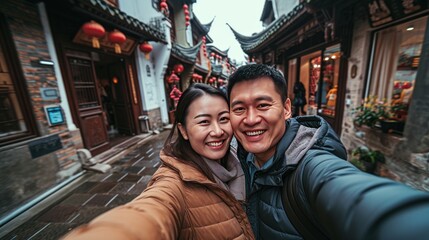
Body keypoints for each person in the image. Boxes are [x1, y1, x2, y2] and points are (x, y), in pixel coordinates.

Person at [226, 64, 429, 240]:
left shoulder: (312, 168)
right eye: (239, 109)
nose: (251, 119)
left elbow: (354, 196)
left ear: (287, 108)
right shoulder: (239, 161)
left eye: (262, 105)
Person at [62, 83, 255, 240]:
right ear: (184, 130)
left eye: (223, 119)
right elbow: (149, 214)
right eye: (204, 122)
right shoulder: (173, 184)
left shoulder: (240, 160)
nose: (218, 131)